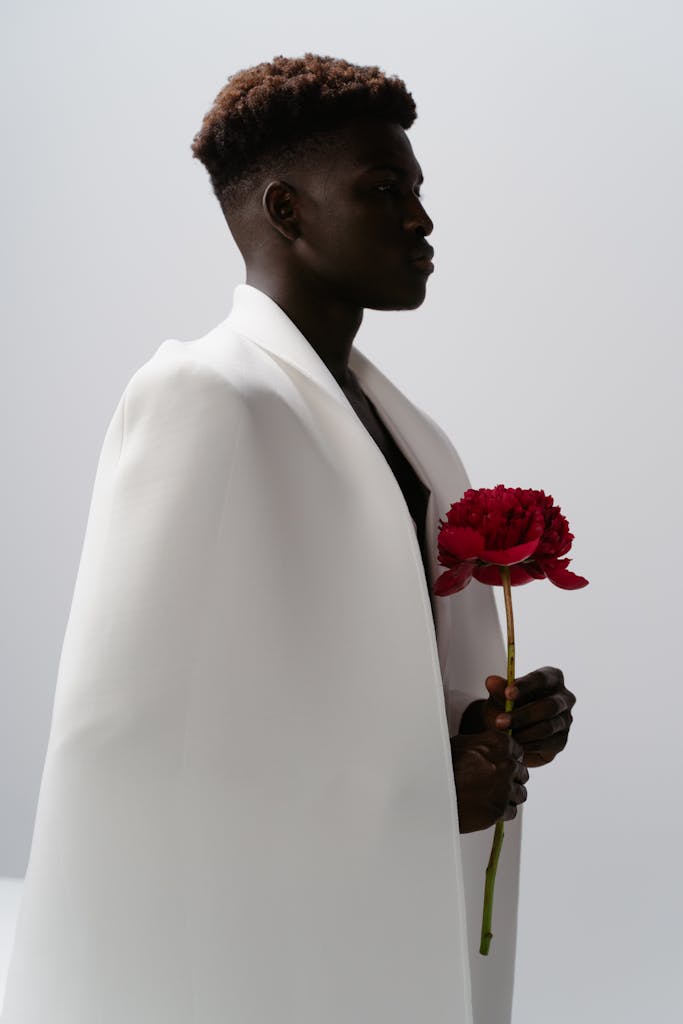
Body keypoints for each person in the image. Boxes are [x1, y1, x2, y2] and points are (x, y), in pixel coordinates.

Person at [1, 54, 575, 1024]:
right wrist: (420, 793)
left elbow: (337, 666)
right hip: (250, 972)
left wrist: (480, 727)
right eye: (383, 189)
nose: (421, 219)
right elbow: (127, 748)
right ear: (286, 212)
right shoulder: (198, 396)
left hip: (380, 937)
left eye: (417, 189)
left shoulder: (410, 431)